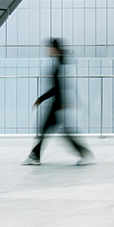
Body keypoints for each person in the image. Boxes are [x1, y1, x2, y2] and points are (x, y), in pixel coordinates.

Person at [21, 38, 95, 166]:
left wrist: (40, 99)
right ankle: (35, 156)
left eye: (49, 47)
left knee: (54, 131)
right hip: (57, 104)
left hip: (57, 104)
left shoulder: (60, 63)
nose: (47, 50)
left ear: (54, 48)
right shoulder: (60, 61)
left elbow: (57, 87)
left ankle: (84, 154)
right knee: (50, 130)